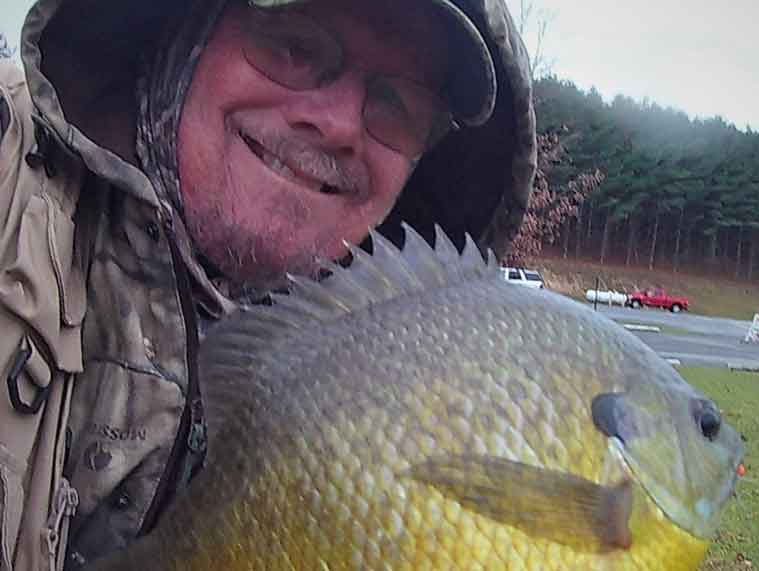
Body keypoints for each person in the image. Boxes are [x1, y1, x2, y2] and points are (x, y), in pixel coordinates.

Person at [0, 0, 535, 568]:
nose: (338, 124)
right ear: (188, 28)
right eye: (296, 48)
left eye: (396, 103)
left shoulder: (422, 401)